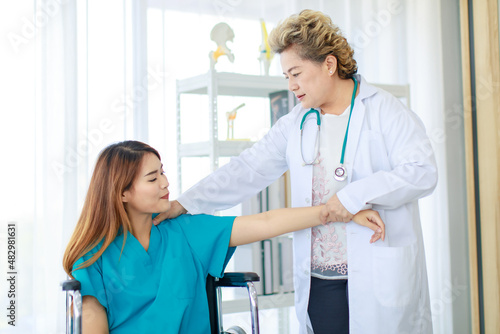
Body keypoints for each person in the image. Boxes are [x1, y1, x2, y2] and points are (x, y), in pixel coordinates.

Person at [154, 9, 438, 334]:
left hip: (377, 274)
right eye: (286, 77)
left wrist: (354, 196)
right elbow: (247, 168)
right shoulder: (296, 122)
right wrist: (186, 203)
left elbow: (422, 172)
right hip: (319, 280)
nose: (291, 86)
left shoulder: (385, 111)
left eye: (296, 73)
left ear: (329, 65)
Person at [62, 140, 384, 334]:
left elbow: (267, 221)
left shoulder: (185, 232)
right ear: (122, 193)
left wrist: (338, 210)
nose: (165, 183)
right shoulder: (95, 254)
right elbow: (91, 318)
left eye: (163, 172)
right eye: (153, 177)